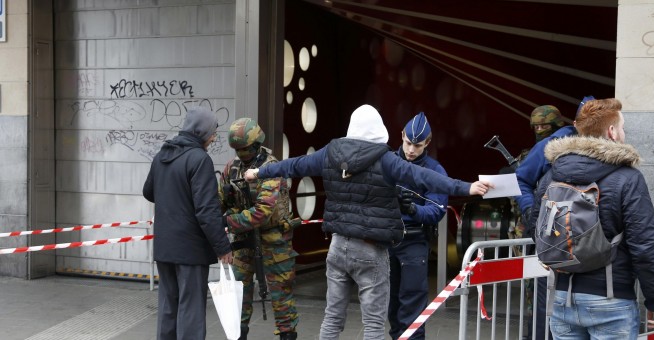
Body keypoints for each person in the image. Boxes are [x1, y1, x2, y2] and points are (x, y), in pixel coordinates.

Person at [244, 104, 493, 340]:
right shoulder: (386, 159)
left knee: (331, 318)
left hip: (337, 247)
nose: (410, 148)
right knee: (374, 322)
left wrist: (259, 172)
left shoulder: (331, 152)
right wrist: (467, 187)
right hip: (371, 250)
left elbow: (295, 165)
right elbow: (425, 178)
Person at [530, 98, 654, 339]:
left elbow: (536, 227)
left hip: (560, 298)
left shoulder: (552, 175)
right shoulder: (628, 178)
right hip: (611, 300)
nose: (623, 133)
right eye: (622, 128)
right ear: (611, 132)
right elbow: (644, 245)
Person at [142, 107, 233, 340]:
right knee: (191, 309)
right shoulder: (199, 159)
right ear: (201, 132)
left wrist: (172, 196)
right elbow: (207, 211)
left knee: (168, 306)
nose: (214, 138)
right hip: (190, 249)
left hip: (164, 247)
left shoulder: (162, 154)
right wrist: (223, 247)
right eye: (213, 132)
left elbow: (149, 192)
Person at [219, 118, 299, 340]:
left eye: (245, 148)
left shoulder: (270, 168)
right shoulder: (232, 168)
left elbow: (261, 213)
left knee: (282, 300)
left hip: (275, 243)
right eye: (237, 149)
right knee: (238, 300)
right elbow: (219, 201)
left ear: (256, 144)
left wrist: (226, 222)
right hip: (243, 244)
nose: (241, 153)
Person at [514, 103, 581, 340]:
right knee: (539, 294)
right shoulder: (545, 148)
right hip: (543, 233)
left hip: (566, 236)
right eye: (536, 126)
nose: (540, 129)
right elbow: (520, 181)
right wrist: (531, 211)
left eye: (544, 125)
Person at [388, 112, 447, 340]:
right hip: (387, 240)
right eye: (408, 143)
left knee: (412, 309)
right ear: (402, 135)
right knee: (392, 305)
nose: (411, 150)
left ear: (428, 143)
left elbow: (437, 211)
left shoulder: (435, 170)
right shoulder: (388, 162)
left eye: (418, 145)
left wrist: (413, 209)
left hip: (414, 241)